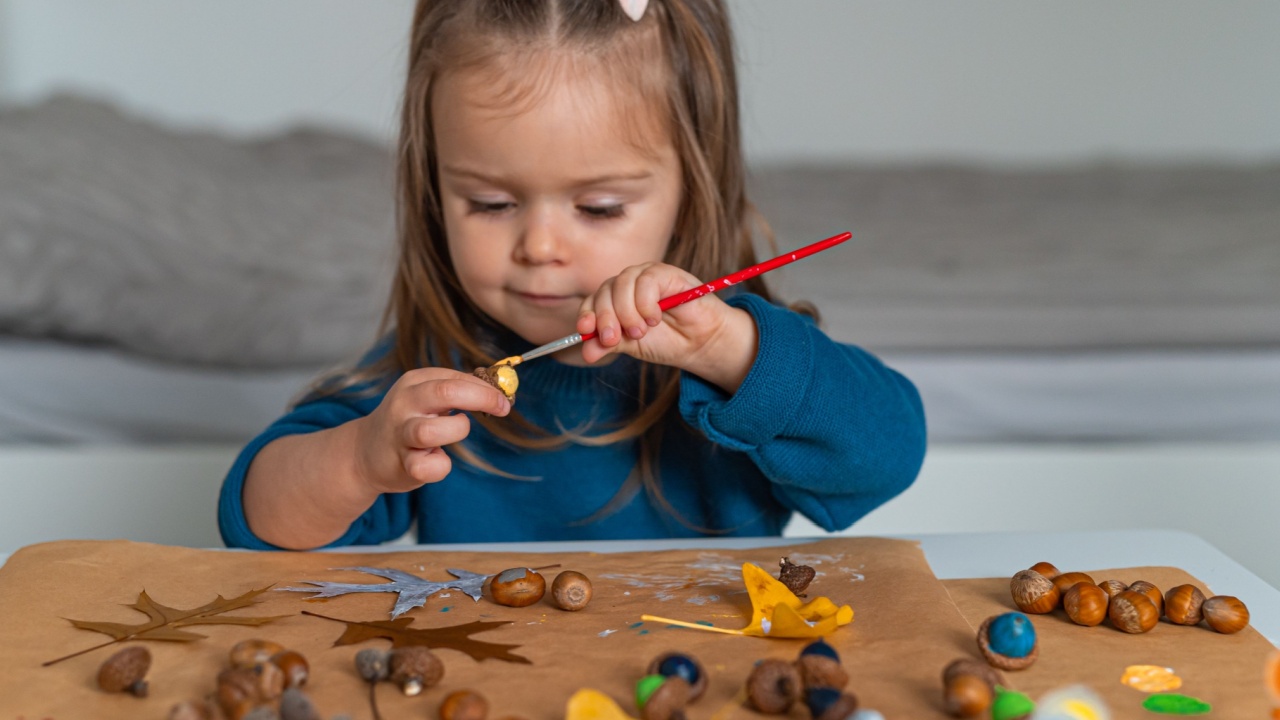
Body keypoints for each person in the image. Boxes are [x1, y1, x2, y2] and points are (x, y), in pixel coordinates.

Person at [218, 0, 926, 551]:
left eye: (599, 206)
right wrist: (361, 458)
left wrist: (728, 352)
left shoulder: (738, 362)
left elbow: (889, 457)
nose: (541, 246)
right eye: (490, 203)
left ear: (692, 182)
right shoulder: (433, 376)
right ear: (432, 188)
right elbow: (253, 522)